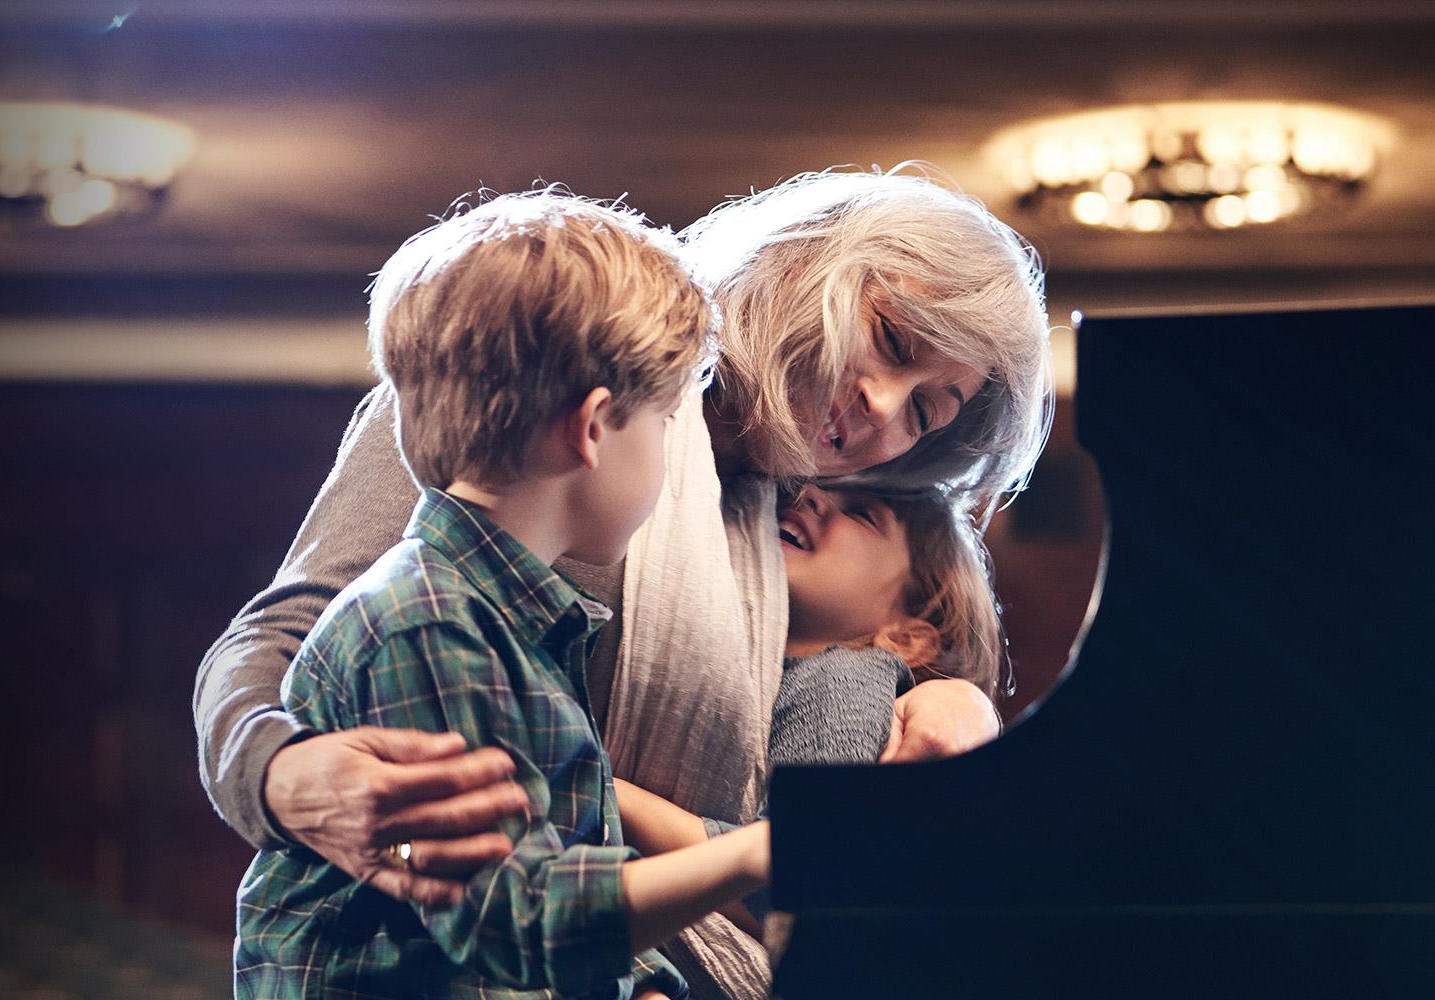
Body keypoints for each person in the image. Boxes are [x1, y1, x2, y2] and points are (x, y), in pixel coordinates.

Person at [196, 168, 1054, 999]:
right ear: (805, 267)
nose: (883, 404)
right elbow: (290, 637)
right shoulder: (528, 371)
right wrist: (282, 774)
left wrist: (953, 695)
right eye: (894, 343)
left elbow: (885, 637)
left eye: (925, 413)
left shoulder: (794, 506)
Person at [235, 188, 760, 999]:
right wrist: (767, 852)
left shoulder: (517, 622)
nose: (667, 459)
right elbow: (520, 925)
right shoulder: (426, 622)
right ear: (592, 427)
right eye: (663, 425)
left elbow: (558, 862)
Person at [614, 484, 1008, 937]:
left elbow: (794, 875)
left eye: (862, 514)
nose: (811, 494)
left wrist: (605, 789)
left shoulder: (846, 676)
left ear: (906, 638)